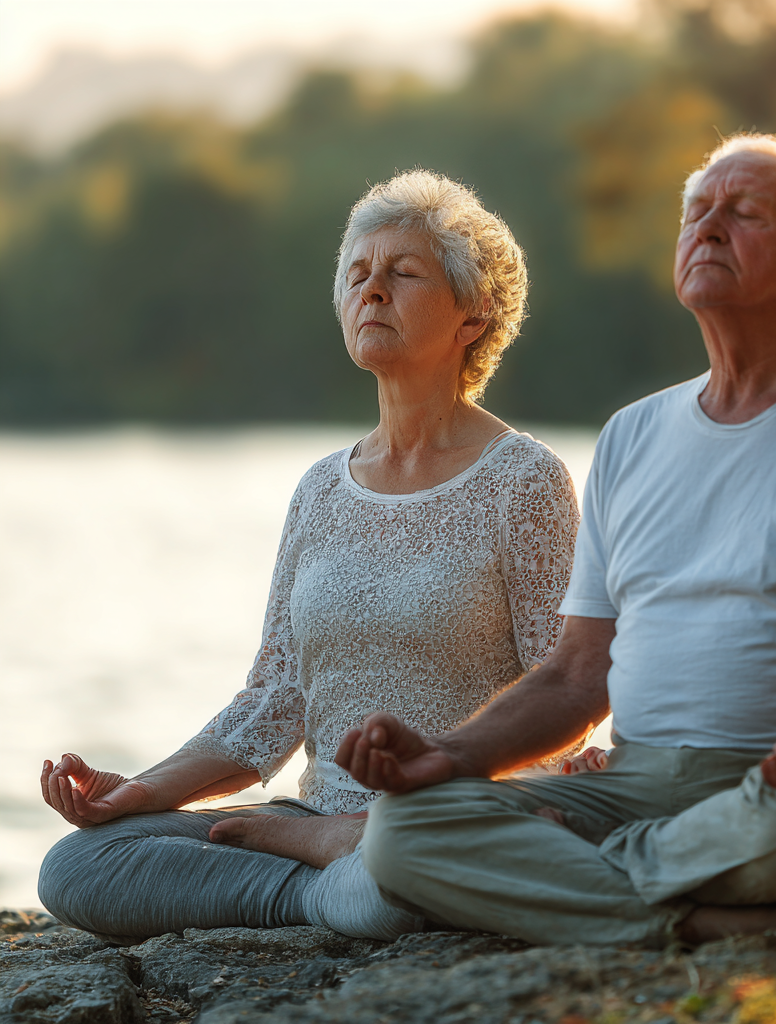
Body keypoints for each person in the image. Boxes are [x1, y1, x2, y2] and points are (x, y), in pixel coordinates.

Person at [329, 134, 776, 948]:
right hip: (638, 786)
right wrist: (446, 759)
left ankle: (587, 877)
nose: (709, 229)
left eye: (745, 215)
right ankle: (698, 918)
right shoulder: (634, 435)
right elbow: (575, 675)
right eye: (696, 213)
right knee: (403, 832)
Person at [37, 170, 581, 942]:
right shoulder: (322, 489)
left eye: (404, 273)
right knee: (77, 866)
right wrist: (142, 792)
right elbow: (274, 701)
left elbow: (564, 693)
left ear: (474, 314)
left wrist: (454, 800)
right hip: (308, 819)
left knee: (407, 858)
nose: (372, 291)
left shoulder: (524, 480)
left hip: (442, 819)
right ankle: (317, 884)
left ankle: (350, 871)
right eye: (358, 274)